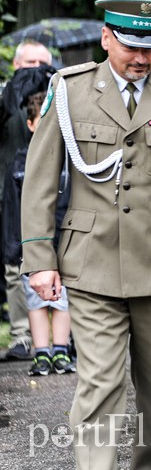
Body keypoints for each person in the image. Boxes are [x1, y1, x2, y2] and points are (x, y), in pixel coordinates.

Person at [21, 0, 151, 470]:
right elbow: (40, 180)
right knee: (99, 383)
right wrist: (39, 257)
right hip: (90, 265)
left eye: (150, 49)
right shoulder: (68, 91)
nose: (140, 58)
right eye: (131, 46)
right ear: (107, 38)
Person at [1, 63, 75, 376]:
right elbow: (12, 208)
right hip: (29, 245)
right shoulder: (19, 163)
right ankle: (40, 351)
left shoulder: (71, 160)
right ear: (30, 124)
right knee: (36, 299)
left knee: (63, 299)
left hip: (65, 243)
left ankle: (61, 349)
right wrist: (12, 247)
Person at [0, 40, 54, 361]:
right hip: (10, 190)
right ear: (17, 64)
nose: (36, 68)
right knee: (13, 265)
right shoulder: (6, 94)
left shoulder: (58, 91)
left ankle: (60, 336)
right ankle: (21, 335)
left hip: (51, 191)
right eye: (30, 62)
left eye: (42, 63)